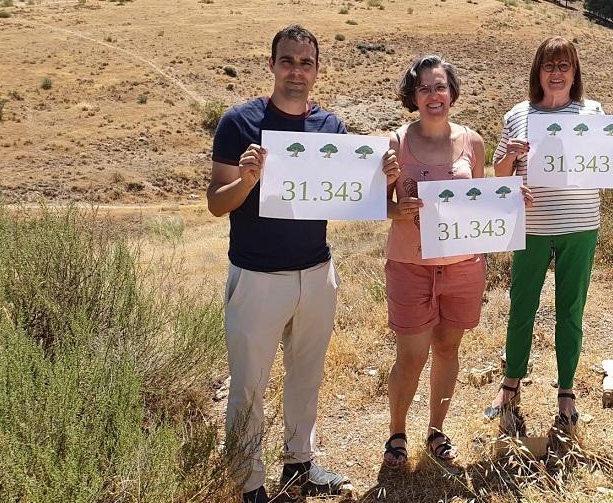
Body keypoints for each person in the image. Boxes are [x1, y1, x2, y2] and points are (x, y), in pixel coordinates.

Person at [207, 25, 400, 503]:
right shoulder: (239, 123)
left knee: (306, 375)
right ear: (271, 65)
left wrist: (385, 178)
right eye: (288, 61)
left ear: (317, 70)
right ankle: (248, 481)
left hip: (316, 273)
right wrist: (249, 179)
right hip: (256, 277)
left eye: (306, 63)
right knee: (248, 386)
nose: (297, 71)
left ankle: (300, 463)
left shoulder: (331, 129)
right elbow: (216, 202)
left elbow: (351, 195)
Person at [484, 36, 613, 429]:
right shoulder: (516, 115)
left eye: (564, 66)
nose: (556, 73)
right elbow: (499, 174)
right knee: (522, 308)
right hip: (532, 229)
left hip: (580, 227)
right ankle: (510, 385)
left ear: (575, 73)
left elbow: (604, 169)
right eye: (549, 65)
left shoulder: (593, 113)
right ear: (537, 72)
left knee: (570, 311)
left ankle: (567, 390)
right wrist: (509, 157)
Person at [382, 54, 530, 468]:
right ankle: (397, 432)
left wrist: (510, 201)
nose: (434, 95)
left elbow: (479, 204)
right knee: (411, 355)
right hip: (411, 265)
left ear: (452, 93)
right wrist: (399, 210)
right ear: (413, 95)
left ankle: (436, 430)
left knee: (448, 348)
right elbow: (379, 204)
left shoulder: (473, 142)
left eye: (441, 87)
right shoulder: (396, 142)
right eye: (425, 88)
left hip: (463, 266)